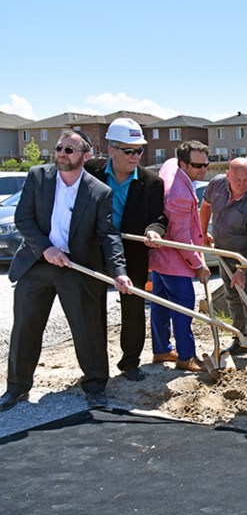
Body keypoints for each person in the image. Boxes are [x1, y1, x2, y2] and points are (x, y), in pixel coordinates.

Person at [1, 130, 131, 411]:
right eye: (59, 148)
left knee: (88, 329)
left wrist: (119, 271)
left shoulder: (99, 192)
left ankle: (95, 386)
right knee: (25, 328)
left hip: (76, 267)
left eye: (69, 150)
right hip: (37, 263)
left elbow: (109, 235)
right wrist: (46, 248)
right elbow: (23, 218)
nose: (61, 153)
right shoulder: (38, 177)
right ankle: (17, 388)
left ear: (85, 156)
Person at [86, 118, 166, 382]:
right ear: (111, 149)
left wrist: (154, 230)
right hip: (93, 249)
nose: (136, 156)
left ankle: (130, 361)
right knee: (91, 307)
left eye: (139, 151)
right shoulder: (90, 172)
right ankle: (95, 368)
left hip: (132, 251)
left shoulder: (152, 183)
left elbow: (159, 217)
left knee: (133, 307)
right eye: (129, 151)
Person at [149, 140, 212, 372]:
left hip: (159, 257)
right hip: (174, 260)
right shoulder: (179, 195)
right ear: (183, 164)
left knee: (160, 304)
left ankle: (161, 349)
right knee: (184, 307)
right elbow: (180, 237)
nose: (203, 170)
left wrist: (201, 235)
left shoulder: (169, 166)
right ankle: (186, 357)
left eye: (206, 164)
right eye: (197, 166)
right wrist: (199, 264)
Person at [200, 157, 247, 352]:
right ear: (227, 176)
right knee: (231, 295)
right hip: (224, 252)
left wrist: (242, 270)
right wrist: (203, 231)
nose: (242, 185)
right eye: (237, 180)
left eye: (246, 180)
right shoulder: (216, 185)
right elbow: (205, 205)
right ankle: (240, 338)